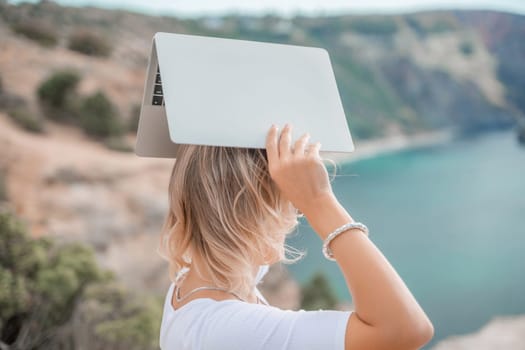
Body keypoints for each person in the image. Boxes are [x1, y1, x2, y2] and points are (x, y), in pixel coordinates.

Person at [158, 123, 434, 349]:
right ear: (252, 214)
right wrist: (319, 200)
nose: (294, 214)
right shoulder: (230, 331)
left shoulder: (192, 282)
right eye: (288, 201)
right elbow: (406, 329)